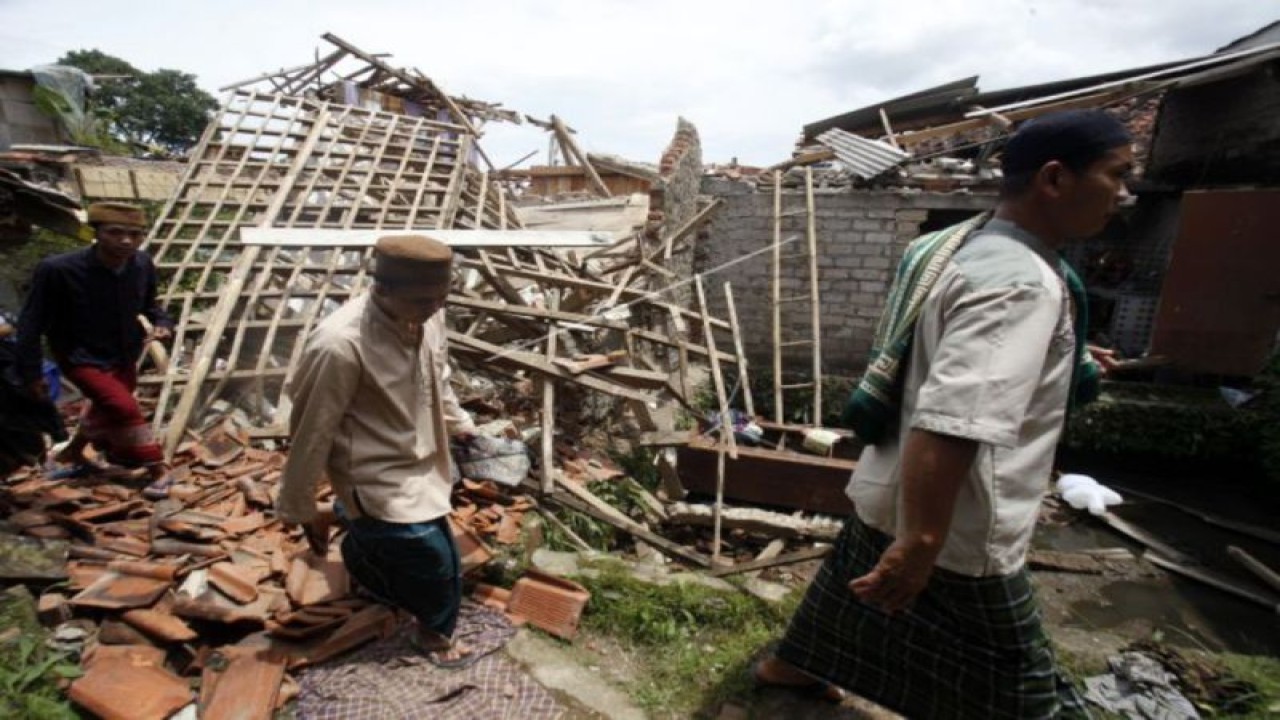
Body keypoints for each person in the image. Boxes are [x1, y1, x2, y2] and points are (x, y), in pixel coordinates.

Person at [753, 110, 1133, 719]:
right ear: (1055, 179)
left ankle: (791, 665)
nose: (1125, 194)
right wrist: (922, 541)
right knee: (1020, 680)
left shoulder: (963, 249)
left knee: (848, 596)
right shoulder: (1021, 285)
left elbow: (954, 352)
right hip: (958, 514)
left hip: (894, 481)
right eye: (1118, 175)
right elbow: (955, 417)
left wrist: (1065, 351)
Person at [277, 233, 479, 668]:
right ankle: (432, 635)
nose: (435, 309)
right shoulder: (340, 344)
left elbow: (437, 375)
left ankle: (355, 532)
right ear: (381, 289)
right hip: (373, 469)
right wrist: (299, 506)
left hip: (424, 455)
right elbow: (311, 430)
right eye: (425, 301)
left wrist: (460, 424)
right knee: (434, 560)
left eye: (442, 299)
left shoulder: (427, 314)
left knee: (426, 547)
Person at [14, 201, 175, 498]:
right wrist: (30, 372)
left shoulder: (141, 264)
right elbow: (30, 323)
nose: (126, 241)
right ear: (96, 232)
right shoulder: (58, 270)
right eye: (116, 232)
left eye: (135, 234)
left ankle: (71, 454)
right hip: (79, 355)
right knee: (124, 408)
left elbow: (150, 305)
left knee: (104, 407)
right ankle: (159, 468)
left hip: (125, 352)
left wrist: (162, 323)